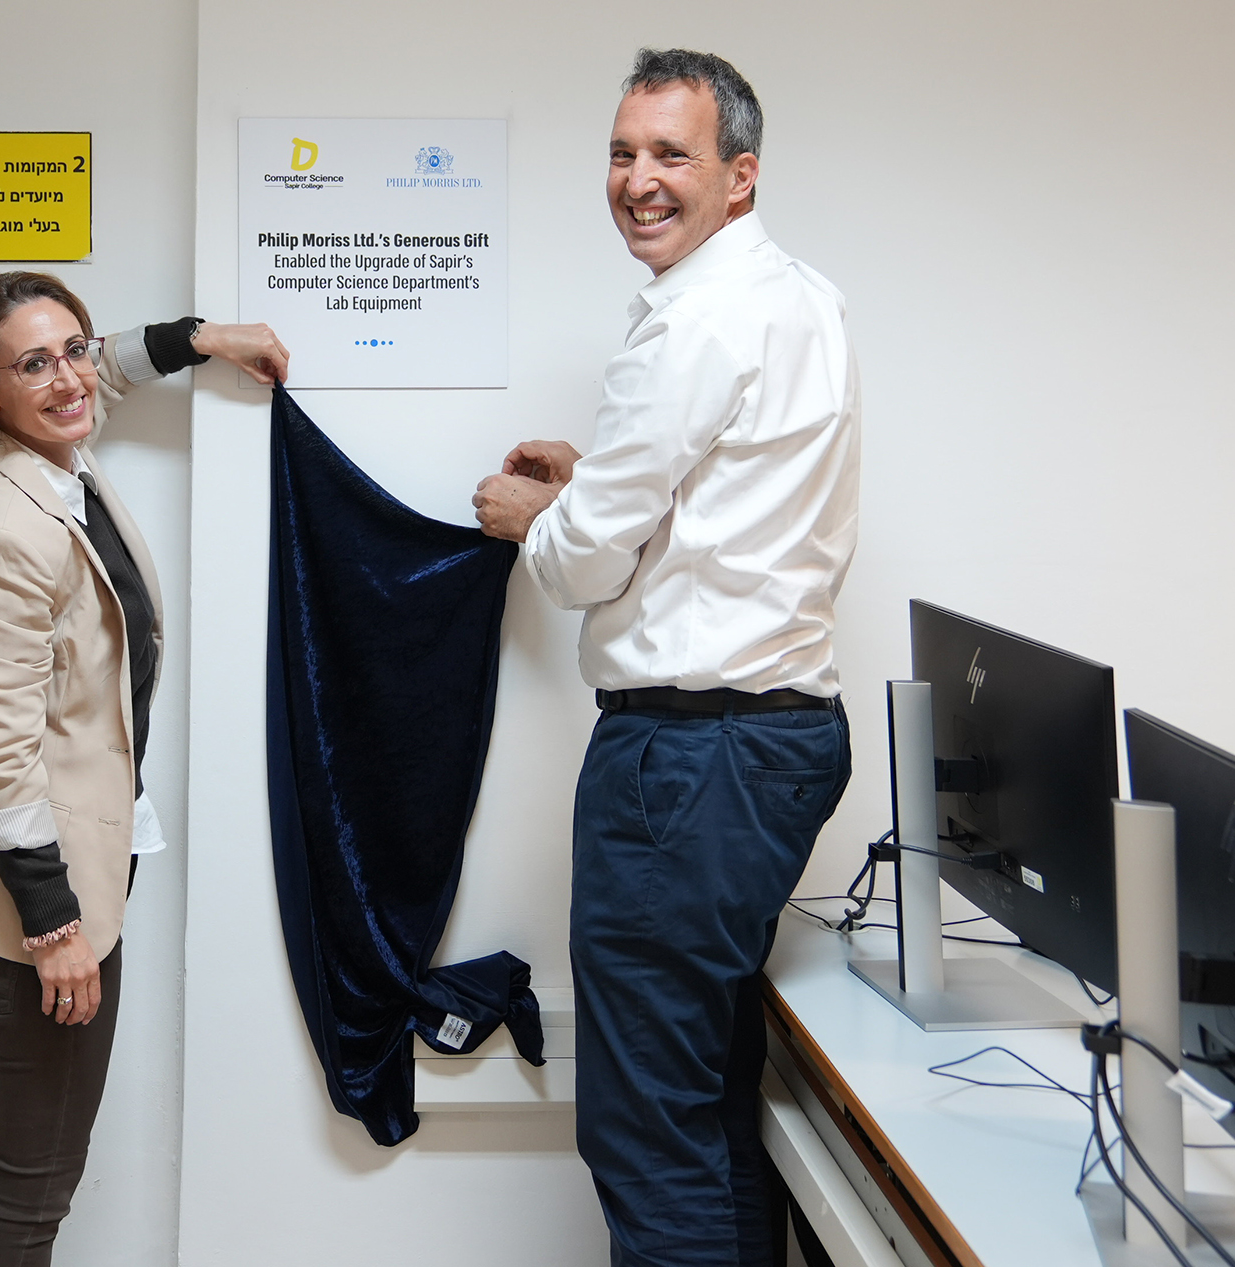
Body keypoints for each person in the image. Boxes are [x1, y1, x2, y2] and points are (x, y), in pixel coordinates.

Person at [471, 49, 860, 1267]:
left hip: (693, 758)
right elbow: (739, 506)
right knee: (704, 1105)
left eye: (671, 155)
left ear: (738, 177)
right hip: (777, 739)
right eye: (623, 151)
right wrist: (599, 490)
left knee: (646, 1130)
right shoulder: (801, 296)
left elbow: (587, 569)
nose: (638, 180)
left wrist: (542, 522)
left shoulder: (690, 322)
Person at [0, 271, 288, 1266]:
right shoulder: (0, 530)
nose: (72, 379)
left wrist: (202, 338)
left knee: (5, 1155)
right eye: (36, 363)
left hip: (72, 864)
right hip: (41, 900)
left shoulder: (47, 452)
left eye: (72, 348)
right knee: (33, 1192)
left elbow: (104, 367)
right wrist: (54, 927)